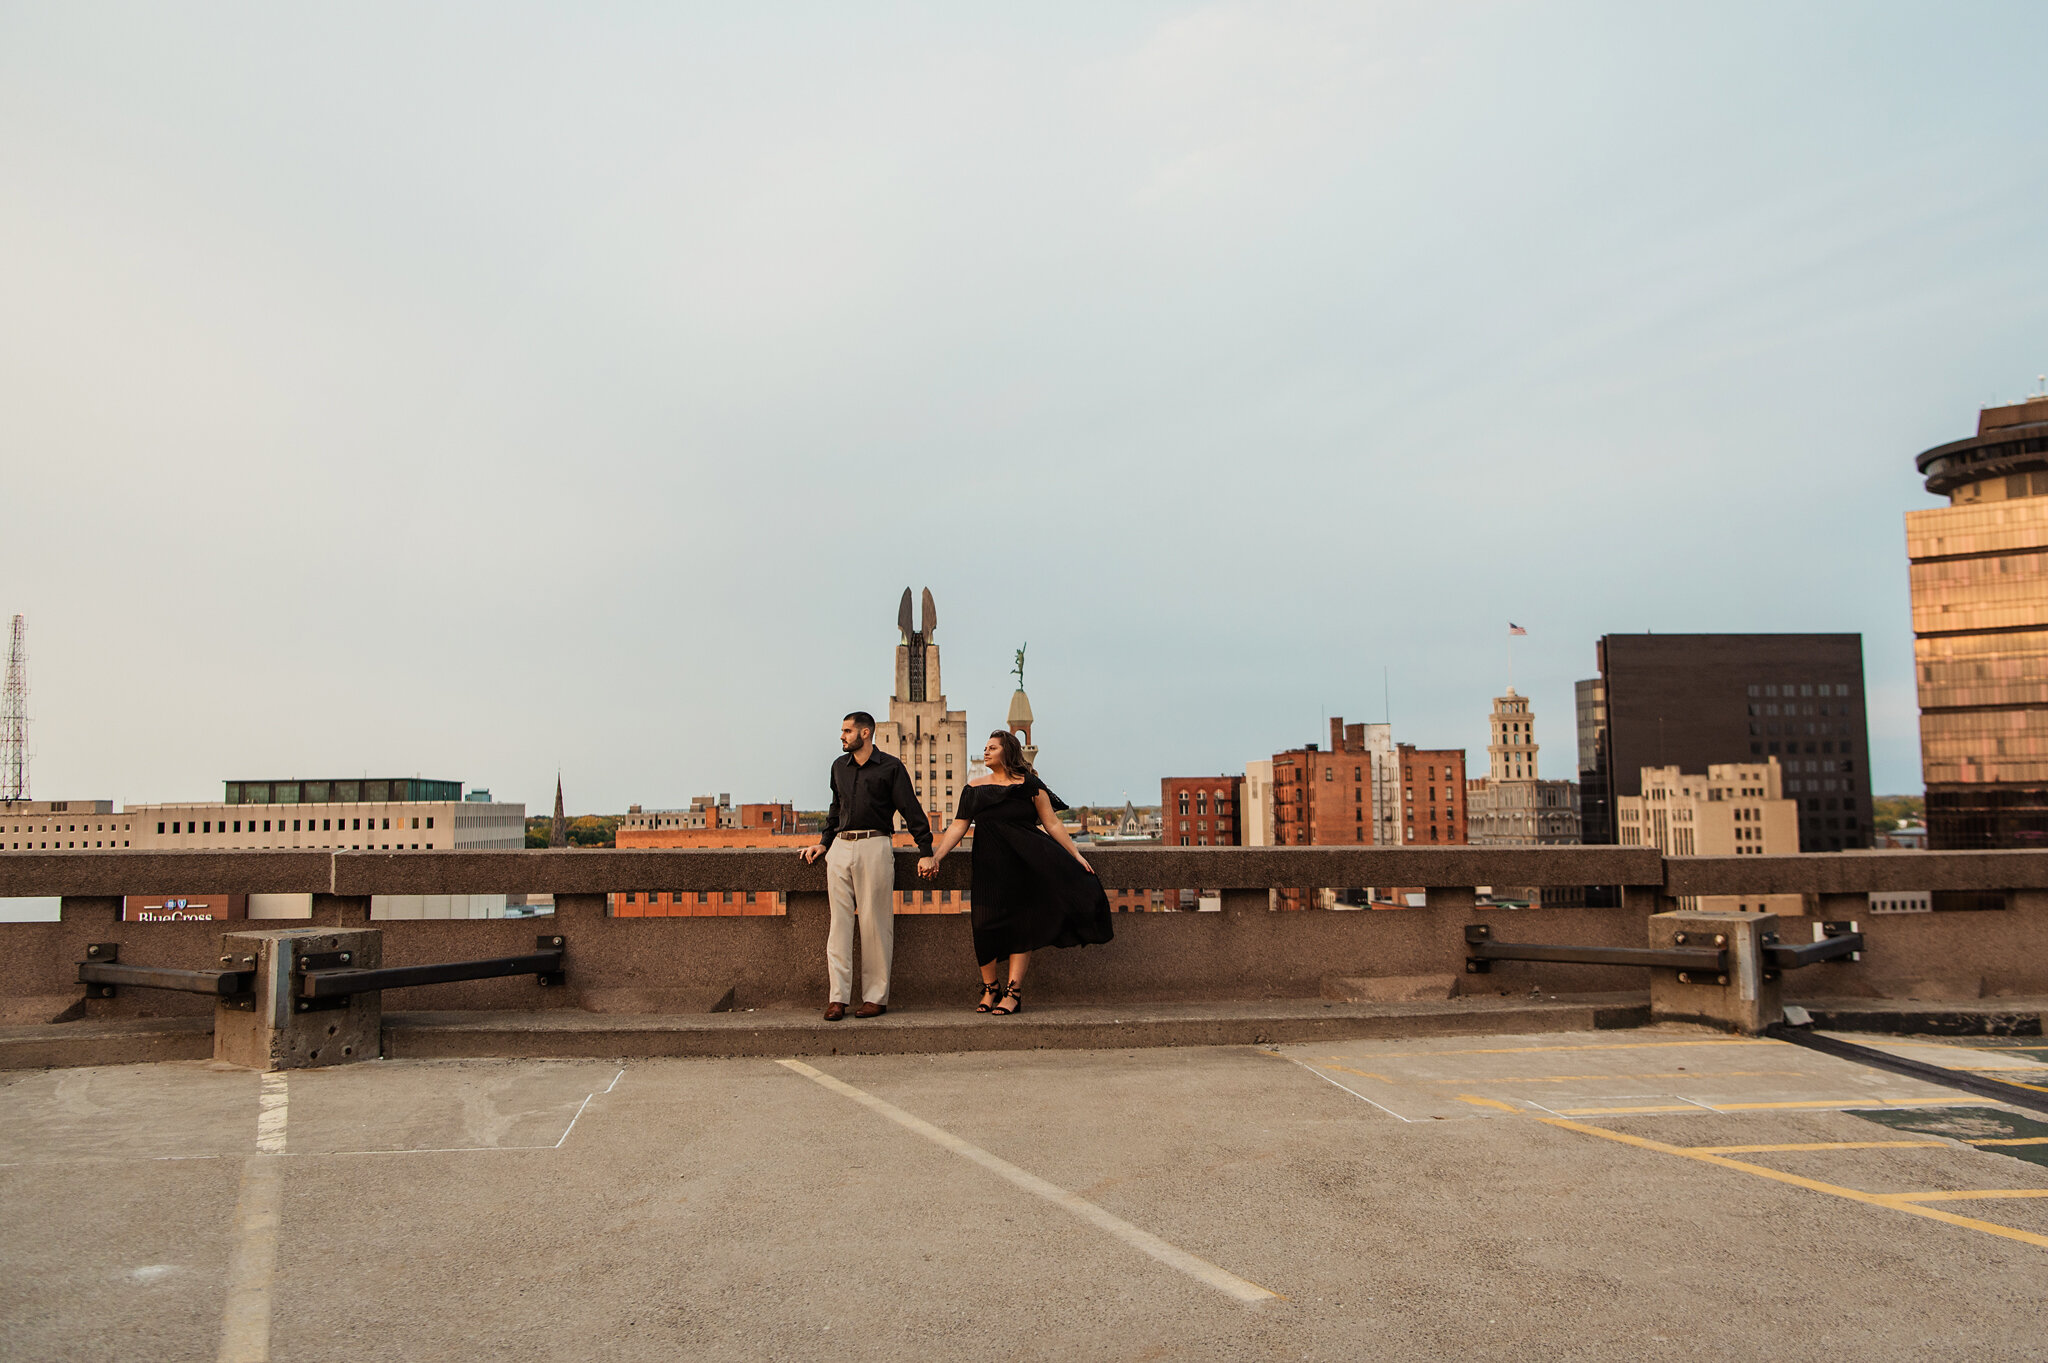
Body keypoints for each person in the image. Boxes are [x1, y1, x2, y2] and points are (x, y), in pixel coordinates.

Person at [917, 730, 1111, 1015]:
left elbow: (1052, 824)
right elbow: (959, 826)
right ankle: (990, 986)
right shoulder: (974, 788)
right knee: (982, 926)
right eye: (985, 748)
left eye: (992, 748)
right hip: (987, 867)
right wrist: (936, 857)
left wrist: (1076, 855)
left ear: (1007, 752)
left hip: (1025, 866)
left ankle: (1013, 992)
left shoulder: (1030, 785)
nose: (985, 752)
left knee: (1022, 927)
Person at [799, 711, 931, 1021]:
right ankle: (837, 998)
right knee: (839, 926)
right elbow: (836, 808)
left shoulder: (890, 768)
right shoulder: (838, 767)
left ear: (866, 733)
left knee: (874, 924)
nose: (842, 736)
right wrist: (824, 842)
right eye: (842, 731)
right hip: (841, 848)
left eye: (847, 731)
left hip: (875, 844)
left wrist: (925, 849)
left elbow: (910, 808)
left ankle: (875, 997)